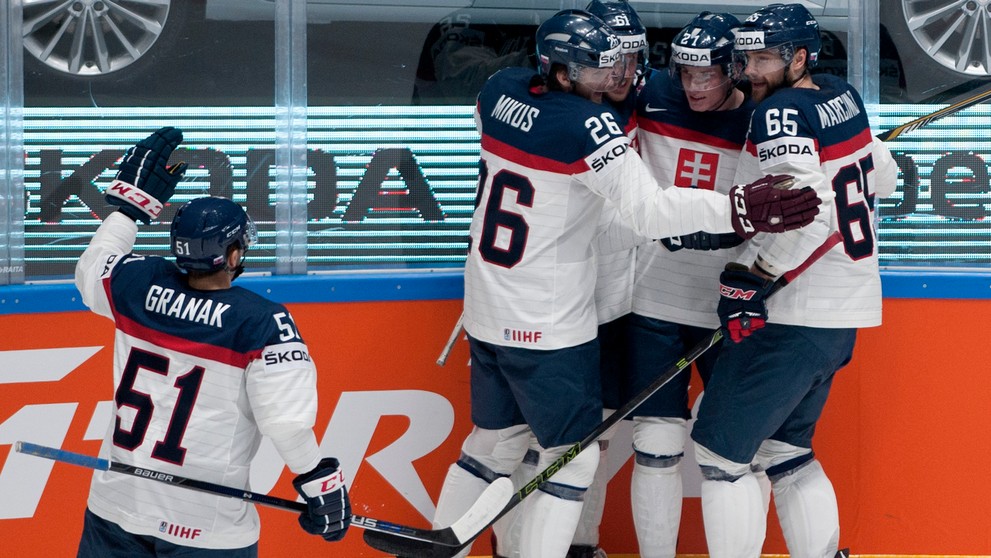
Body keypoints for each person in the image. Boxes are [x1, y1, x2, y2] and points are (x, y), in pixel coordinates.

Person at [430, 9, 821, 558]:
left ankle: (446, 548)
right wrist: (736, 209)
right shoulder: (588, 125)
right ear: (560, 71)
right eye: (596, 68)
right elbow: (648, 209)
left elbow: (583, 224)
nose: (614, 77)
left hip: (487, 307)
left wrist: (671, 233)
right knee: (572, 460)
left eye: (620, 62)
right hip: (548, 323)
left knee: (490, 447)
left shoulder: (498, 91)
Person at [73, 127, 351, 557]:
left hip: (116, 509)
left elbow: (92, 267)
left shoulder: (135, 282)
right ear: (233, 255)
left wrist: (129, 209)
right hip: (206, 528)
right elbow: (286, 424)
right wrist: (318, 481)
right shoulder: (261, 323)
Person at [688, 4, 897, 557]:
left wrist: (754, 276)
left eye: (764, 59)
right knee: (785, 452)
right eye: (746, 58)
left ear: (800, 57)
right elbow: (886, 177)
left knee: (720, 456)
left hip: (792, 312)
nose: (750, 71)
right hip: (841, 313)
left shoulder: (779, 113)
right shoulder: (840, 98)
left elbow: (805, 212)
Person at [620, 12, 759, 558]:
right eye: (686, 73)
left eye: (708, 74)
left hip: (729, 304)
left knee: (742, 452)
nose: (694, 86)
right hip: (653, 300)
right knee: (656, 443)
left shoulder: (765, 116)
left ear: (736, 69)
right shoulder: (651, 93)